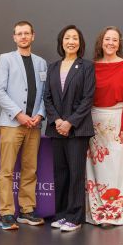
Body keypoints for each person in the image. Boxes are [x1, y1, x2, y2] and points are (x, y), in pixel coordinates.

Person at [0, 21, 48, 230]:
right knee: (6, 171)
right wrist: (19, 115)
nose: (23, 37)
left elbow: (45, 94)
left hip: (34, 125)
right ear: (14, 37)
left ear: (33, 36)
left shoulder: (41, 62)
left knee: (30, 169)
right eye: (19, 34)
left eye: (27, 33)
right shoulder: (5, 59)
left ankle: (27, 210)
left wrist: (40, 115)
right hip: (11, 124)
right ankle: (6, 214)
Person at [43, 25, 95, 232]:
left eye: (75, 38)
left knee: (75, 173)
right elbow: (47, 97)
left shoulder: (86, 66)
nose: (71, 41)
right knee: (61, 173)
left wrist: (70, 122)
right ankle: (62, 214)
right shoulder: (53, 67)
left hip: (77, 129)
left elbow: (87, 98)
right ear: (61, 42)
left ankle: (75, 217)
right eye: (67, 38)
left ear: (80, 43)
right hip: (57, 129)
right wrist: (57, 121)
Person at [86, 26, 123, 227]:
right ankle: (98, 213)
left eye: (114, 40)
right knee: (96, 169)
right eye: (107, 39)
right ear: (101, 42)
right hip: (94, 122)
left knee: (117, 168)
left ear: (119, 44)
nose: (110, 43)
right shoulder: (91, 66)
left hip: (119, 122)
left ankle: (117, 213)